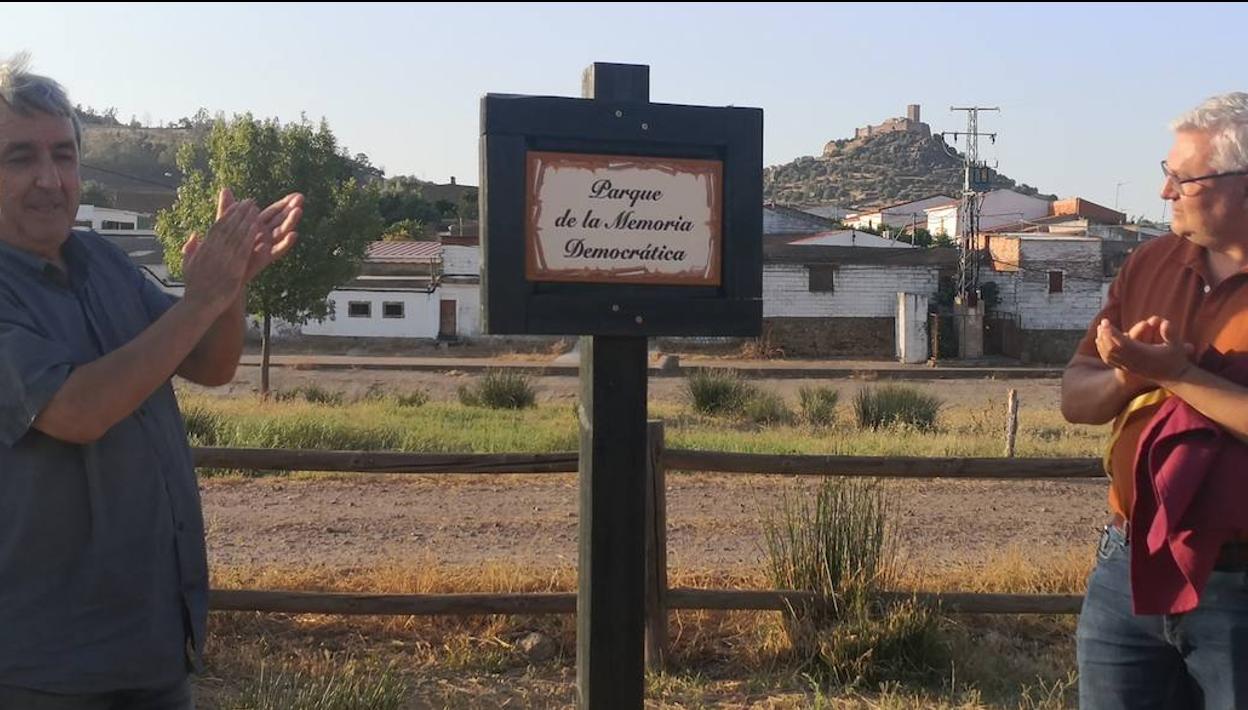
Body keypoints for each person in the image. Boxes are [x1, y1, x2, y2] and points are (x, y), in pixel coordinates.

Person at [0, 54, 302, 708]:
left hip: (153, 643)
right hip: (39, 663)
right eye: (20, 157)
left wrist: (230, 290)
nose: (50, 179)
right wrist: (201, 301)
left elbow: (209, 365)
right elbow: (76, 411)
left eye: (64, 155)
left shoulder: (102, 261)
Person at [1062, 91, 1248, 709]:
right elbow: (1075, 400)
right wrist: (1128, 378)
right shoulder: (1149, 263)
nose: (1165, 191)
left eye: (1182, 178)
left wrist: (1177, 374)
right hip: (1128, 563)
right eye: (1165, 173)